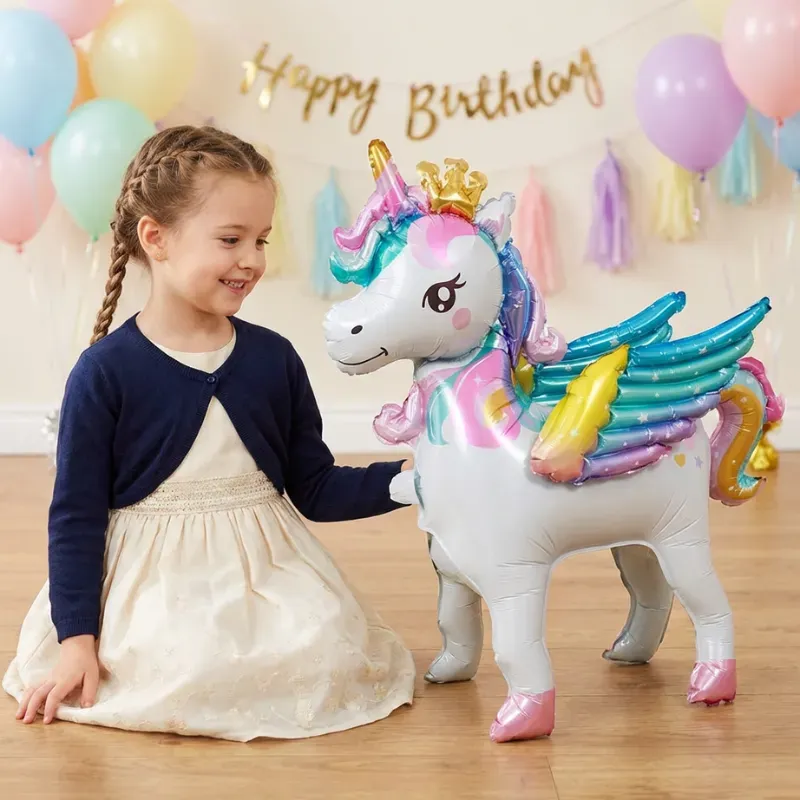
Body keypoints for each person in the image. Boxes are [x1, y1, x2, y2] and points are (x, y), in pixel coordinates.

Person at [3, 125, 416, 741]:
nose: (252, 259)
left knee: (320, 648)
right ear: (156, 238)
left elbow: (315, 486)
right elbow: (76, 517)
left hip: (263, 573)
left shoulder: (273, 359)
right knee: (174, 663)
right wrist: (77, 642)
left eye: (261, 239)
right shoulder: (105, 372)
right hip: (154, 586)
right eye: (230, 239)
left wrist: (409, 480)